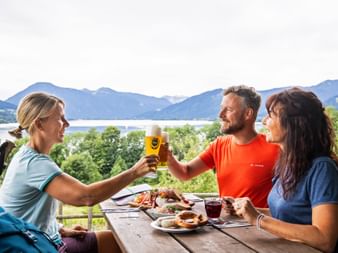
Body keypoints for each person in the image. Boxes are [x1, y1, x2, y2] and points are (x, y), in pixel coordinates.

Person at [0, 92, 159, 253]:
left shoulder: (28, 156)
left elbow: (26, 213)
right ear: (40, 124)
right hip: (35, 247)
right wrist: (134, 172)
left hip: (43, 239)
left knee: (119, 241)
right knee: (127, 245)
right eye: (60, 118)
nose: (66, 123)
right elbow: (86, 197)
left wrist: (60, 229)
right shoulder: (34, 163)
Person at [232, 87, 338, 253]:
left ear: (293, 125)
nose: (264, 121)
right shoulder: (289, 164)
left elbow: (325, 239)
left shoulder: (322, 169)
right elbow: (288, 214)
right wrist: (248, 210)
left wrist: (258, 219)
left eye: (271, 115)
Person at [167, 85, 280, 207]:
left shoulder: (276, 148)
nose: (221, 115)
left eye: (229, 110)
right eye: (222, 108)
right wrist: (168, 157)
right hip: (224, 224)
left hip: (256, 225)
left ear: (248, 113)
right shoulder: (219, 145)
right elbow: (185, 173)